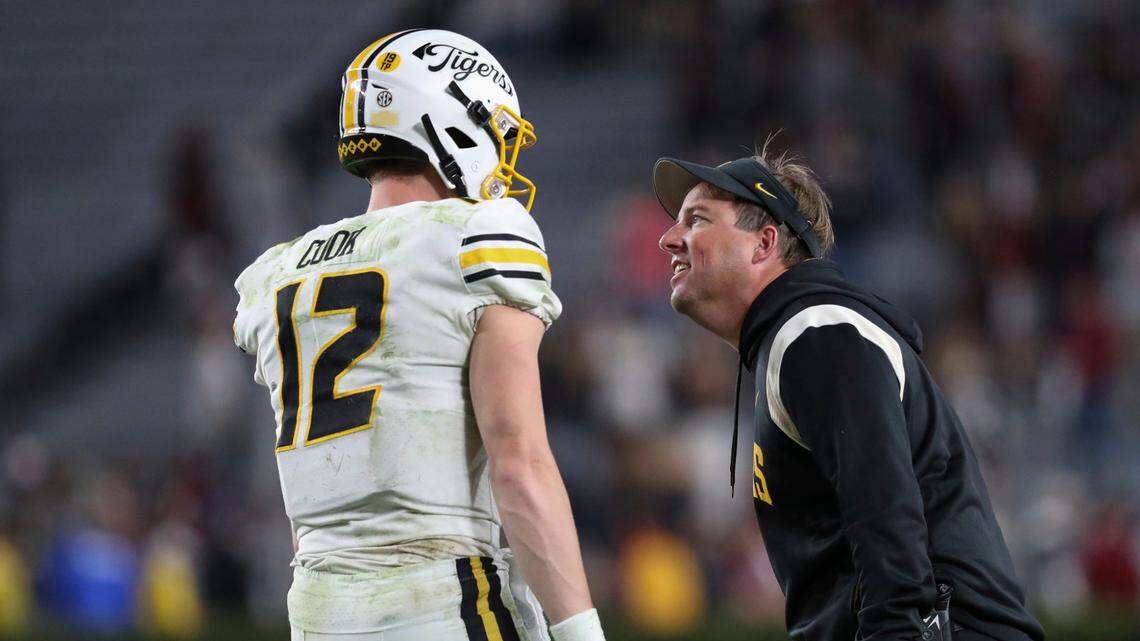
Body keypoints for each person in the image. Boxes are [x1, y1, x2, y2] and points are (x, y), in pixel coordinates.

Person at [233, 29, 604, 641]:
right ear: (451, 120)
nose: (503, 155)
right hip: (443, 598)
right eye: (497, 131)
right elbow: (520, 463)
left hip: (319, 610)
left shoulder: (277, 271)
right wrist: (581, 632)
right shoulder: (475, 234)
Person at [652, 143, 1044, 641]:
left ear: (764, 243)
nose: (669, 238)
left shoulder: (817, 331)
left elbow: (886, 514)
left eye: (698, 219)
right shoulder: (799, 336)